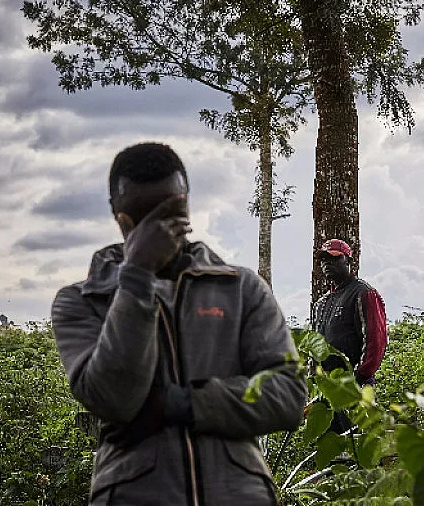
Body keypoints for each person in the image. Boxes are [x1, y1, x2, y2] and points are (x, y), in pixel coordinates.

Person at [51, 143, 307, 505]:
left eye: (172, 211)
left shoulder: (241, 288)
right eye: (147, 217)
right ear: (122, 221)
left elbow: (287, 397)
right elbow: (115, 399)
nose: (164, 228)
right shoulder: (81, 301)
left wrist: (177, 404)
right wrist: (137, 276)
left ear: (186, 205)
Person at [312, 239, 388, 432]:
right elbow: (315, 344)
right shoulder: (321, 303)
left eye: (334, 259)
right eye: (324, 260)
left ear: (348, 262)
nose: (327, 264)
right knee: (329, 444)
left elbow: (375, 341)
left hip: (353, 384)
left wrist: (359, 377)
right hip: (326, 386)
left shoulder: (364, 293)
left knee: (356, 441)